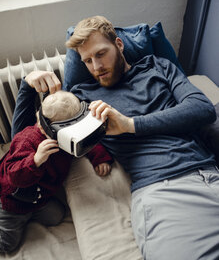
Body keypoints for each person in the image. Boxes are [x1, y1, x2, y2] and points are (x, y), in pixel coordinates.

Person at [12, 16, 219, 259]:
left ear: (119, 45)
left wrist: (130, 125)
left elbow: (202, 109)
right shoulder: (83, 98)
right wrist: (27, 86)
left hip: (210, 172)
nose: (96, 66)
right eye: (87, 61)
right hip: (163, 188)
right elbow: (23, 143)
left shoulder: (158, 66)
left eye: (101, 54)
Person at [0, 88, 113, 254]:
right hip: (14, 200)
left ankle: (31, 215)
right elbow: (13, 176)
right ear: (47, 127)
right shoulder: (26, 140)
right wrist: (36, 160)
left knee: (57, 216)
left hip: (41, 197)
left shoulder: (67, 137)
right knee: (7, 244)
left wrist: (100, 158)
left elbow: (85, 143)